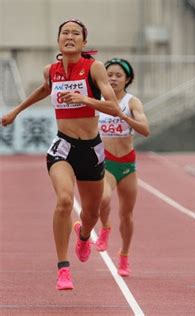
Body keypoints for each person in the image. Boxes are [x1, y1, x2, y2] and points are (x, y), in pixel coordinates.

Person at [1, 19, 120, 290]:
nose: (70, 37)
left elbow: (114, 107)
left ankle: (84, 234)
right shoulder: (51, 70)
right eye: (65, 33)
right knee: (65, 200)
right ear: (58, 41)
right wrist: (15, 111)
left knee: (91, 213)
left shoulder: (95, 69)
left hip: (91, 149)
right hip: (63, 146)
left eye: (75, 33)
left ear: (83, 42)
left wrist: (85, 100)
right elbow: (44, 89)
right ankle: (63, 268)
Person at [95, 58, 150, 277]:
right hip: (105, 161)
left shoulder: (132, 102)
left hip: (127, 164)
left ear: (127, 79)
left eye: (118, 75)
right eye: (109, 75)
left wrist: (123, 115)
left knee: (126, 215)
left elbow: (145, 129)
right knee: (104, 199)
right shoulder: (97, 101)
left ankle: (124, 256)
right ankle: (105, 227)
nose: (113, 79)